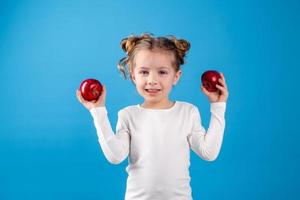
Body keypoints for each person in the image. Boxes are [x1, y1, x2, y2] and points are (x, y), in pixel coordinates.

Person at [76, 33, 229, 200]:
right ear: (134, 76)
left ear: (176, 76)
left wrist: (218, 106)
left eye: (162, 72)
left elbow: (209, 152)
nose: (152, 80)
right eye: (144, 72)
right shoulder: (128, 115)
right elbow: (115, 156)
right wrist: (98, 111)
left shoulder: (188, 112)